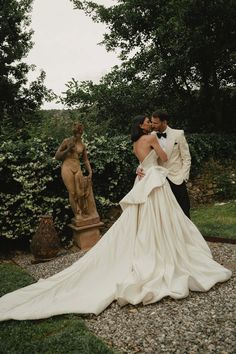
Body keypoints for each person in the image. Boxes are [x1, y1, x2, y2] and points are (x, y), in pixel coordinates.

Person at [0, 115, 231, 321]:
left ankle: (148, 247)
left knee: (142, 218)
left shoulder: (134, 144)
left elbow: (142, 162)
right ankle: (161, 250)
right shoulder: (151, 138)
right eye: (146, 122)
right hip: (154, 180)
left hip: (142, 179)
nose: (149, 124)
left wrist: (144, 166)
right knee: (162, 217)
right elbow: (163, 157)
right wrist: (160, 147)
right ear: (141, 126)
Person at [137, 111, 191, 218]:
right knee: (166, 212)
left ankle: (186, 234)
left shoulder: (178, 134)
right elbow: (146, 156)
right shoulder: (150, 136)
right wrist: (139, 167)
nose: (152, 125)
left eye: (155, 123)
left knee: (184, 208)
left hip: (177, 178)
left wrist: (183, 176)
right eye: (151, 122)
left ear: (164, 122)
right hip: (159, 179)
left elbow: (186, 158)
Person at [55, 122, 99, 223]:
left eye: (80, 132)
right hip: (67, 167)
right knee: (73, 192)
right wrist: (68, 149)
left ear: (81, 133)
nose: (78, 134)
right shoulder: (67, 141)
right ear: (74, 132)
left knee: (80, 192)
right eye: (76, 132)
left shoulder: (82, 145)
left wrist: (90, 171)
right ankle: (78, 214)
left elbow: (85, 160)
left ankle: (83, 212)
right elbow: (57, 156)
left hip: (77, 167)